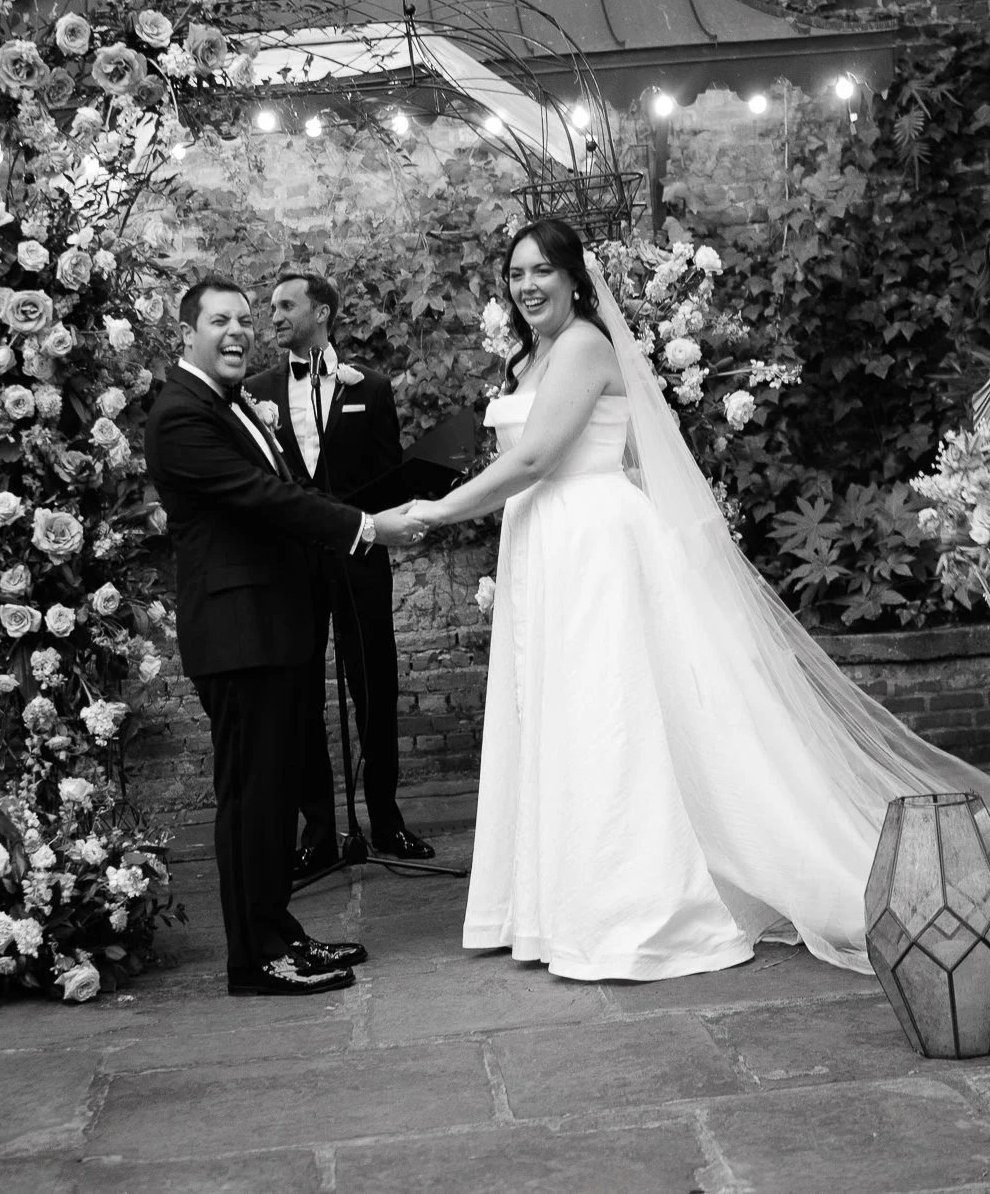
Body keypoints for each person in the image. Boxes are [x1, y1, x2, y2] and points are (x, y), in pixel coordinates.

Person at [409, 217, 990, 981]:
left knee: (608, 711)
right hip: (543, 541)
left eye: (541, 270)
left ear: (575, 278)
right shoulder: (530, 354)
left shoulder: (583, 343)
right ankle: (550, 902)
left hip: (592, 540)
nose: (526, 285)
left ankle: (628, 906)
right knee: (553, 708)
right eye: (515, 272)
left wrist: (433, 512)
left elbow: (538, 454)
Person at [144, 276, 426, 996]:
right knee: (251, 799)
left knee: (272, 795)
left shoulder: (232, 406)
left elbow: (288, 493)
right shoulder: (181, 414)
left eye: (244, 319)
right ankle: (254, 957)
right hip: (240, 633)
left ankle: (279, 931)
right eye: (219, 321)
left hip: (272, 629)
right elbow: (265, 498)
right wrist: (365, 526)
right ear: (188, 334)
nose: (237, 331)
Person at [247, 271, 436, 878]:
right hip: (292, 568)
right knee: (301, 696)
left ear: (322, 311)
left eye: (285, 306)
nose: (272, 316)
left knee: (374, 688)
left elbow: (388, 477)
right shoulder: (257, 392)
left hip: (359, 560)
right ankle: (319, 832)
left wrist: (377, 524)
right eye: (271, 307)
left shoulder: (371, 388)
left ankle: (386, 817)